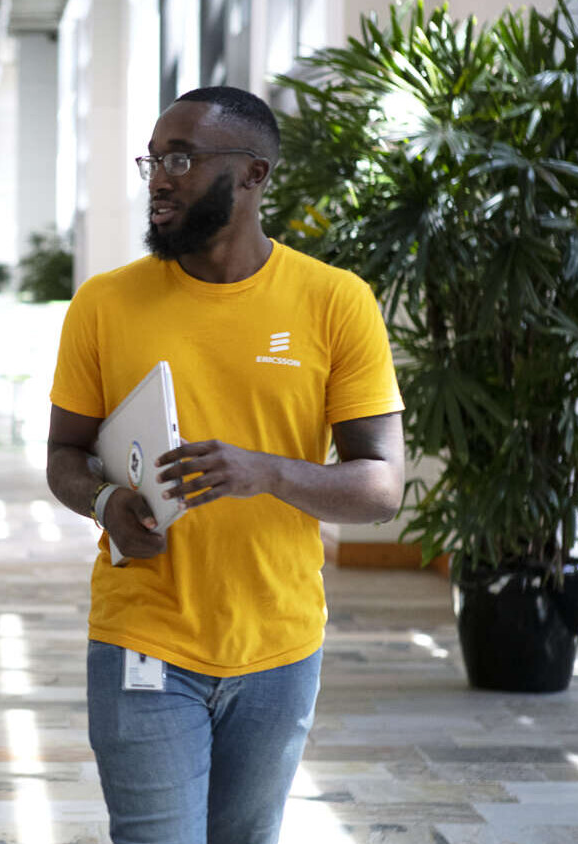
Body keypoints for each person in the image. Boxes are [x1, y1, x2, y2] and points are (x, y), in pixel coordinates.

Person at [46, 86, 405, 844]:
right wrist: (107, 502)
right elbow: (63, 455)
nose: (159, 178)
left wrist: (268, 473)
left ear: (255, 174)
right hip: (142, 633)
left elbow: (380, 488)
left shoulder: (336, 302)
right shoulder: (105, 304)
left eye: (181, 157)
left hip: (279, 643)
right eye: (153, 159)